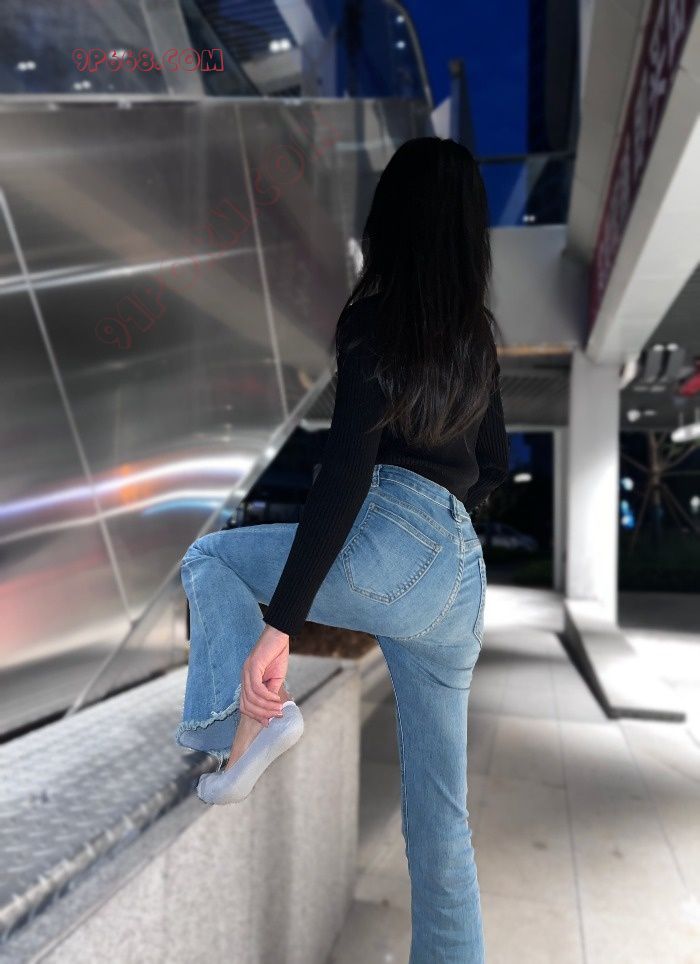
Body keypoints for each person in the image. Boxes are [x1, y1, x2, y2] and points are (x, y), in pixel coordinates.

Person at [174, 136, 509, 963]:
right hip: (461, 578)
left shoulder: (374, 318)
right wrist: (438, 542)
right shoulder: (477, 337)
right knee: (442, 823)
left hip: (395, 538)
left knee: (210, 559)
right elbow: (494, 465)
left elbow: (345, 476)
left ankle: (242, 728)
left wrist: (281, 623)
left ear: (393, 217)